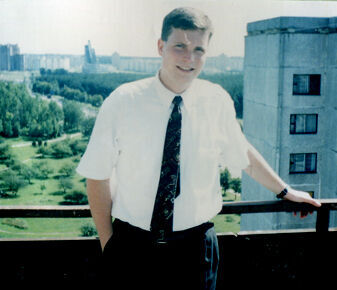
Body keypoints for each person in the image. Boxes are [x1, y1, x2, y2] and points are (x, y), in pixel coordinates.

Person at [76, 7, 321, 290]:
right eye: (179, 46)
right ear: (161, 46)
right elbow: (97, 174)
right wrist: (109, 245)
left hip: (195, 251)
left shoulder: (216, 101)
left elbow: (244, 155)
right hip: (133, 247)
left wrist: (285, 191)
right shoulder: (123, 101)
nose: (189, 58)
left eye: (199, 49)